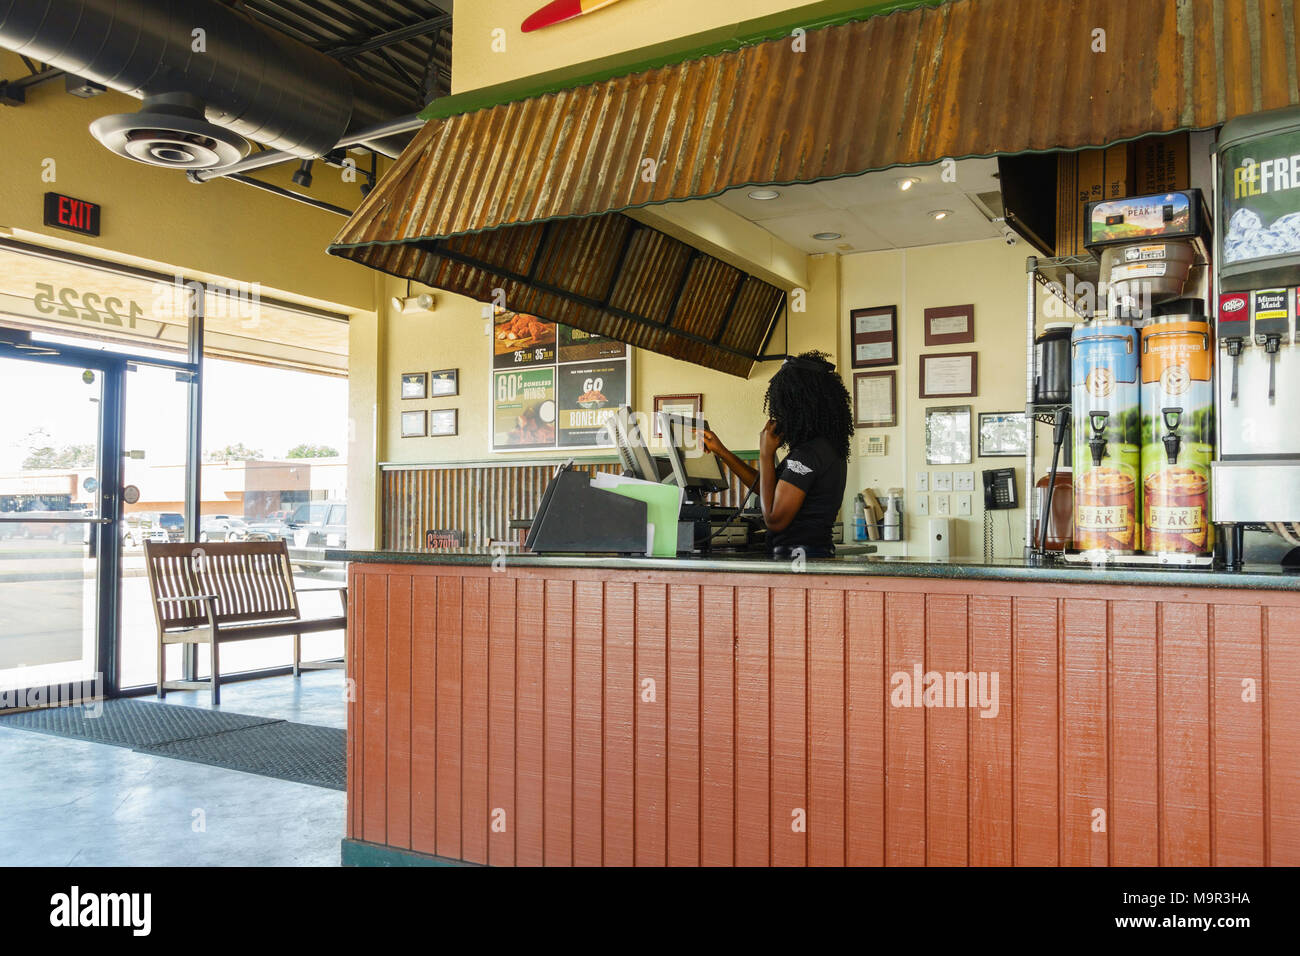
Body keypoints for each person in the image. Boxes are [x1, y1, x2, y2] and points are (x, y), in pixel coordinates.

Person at [702, 350, 853, 558]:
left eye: (782, 404)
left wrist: (765, 454)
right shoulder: (824, 448)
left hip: (798, 561)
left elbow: (774, 519)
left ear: (798, 406)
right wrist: (722, 452)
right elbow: (768, 489)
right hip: (814, 556)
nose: (778, 413)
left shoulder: (807, 455)